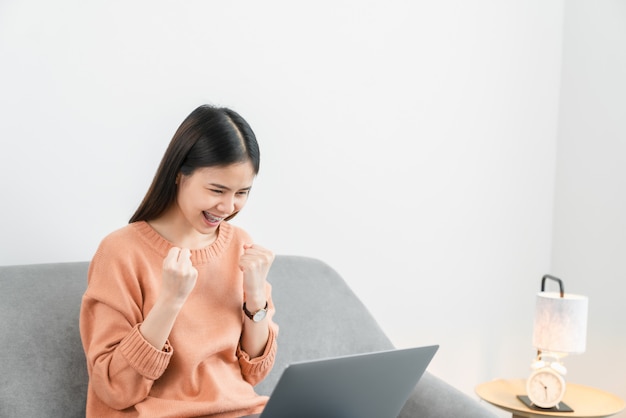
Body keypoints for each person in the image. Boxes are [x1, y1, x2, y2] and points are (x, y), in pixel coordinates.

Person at [79, 104, 278, 418]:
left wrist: (256, 301)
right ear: (178, 174)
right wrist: (169, 301)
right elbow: (114, 388)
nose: (228, 206)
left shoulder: (241, 245)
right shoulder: (120, 252)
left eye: (242, 192)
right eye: (217, 189)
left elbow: (255, 374)